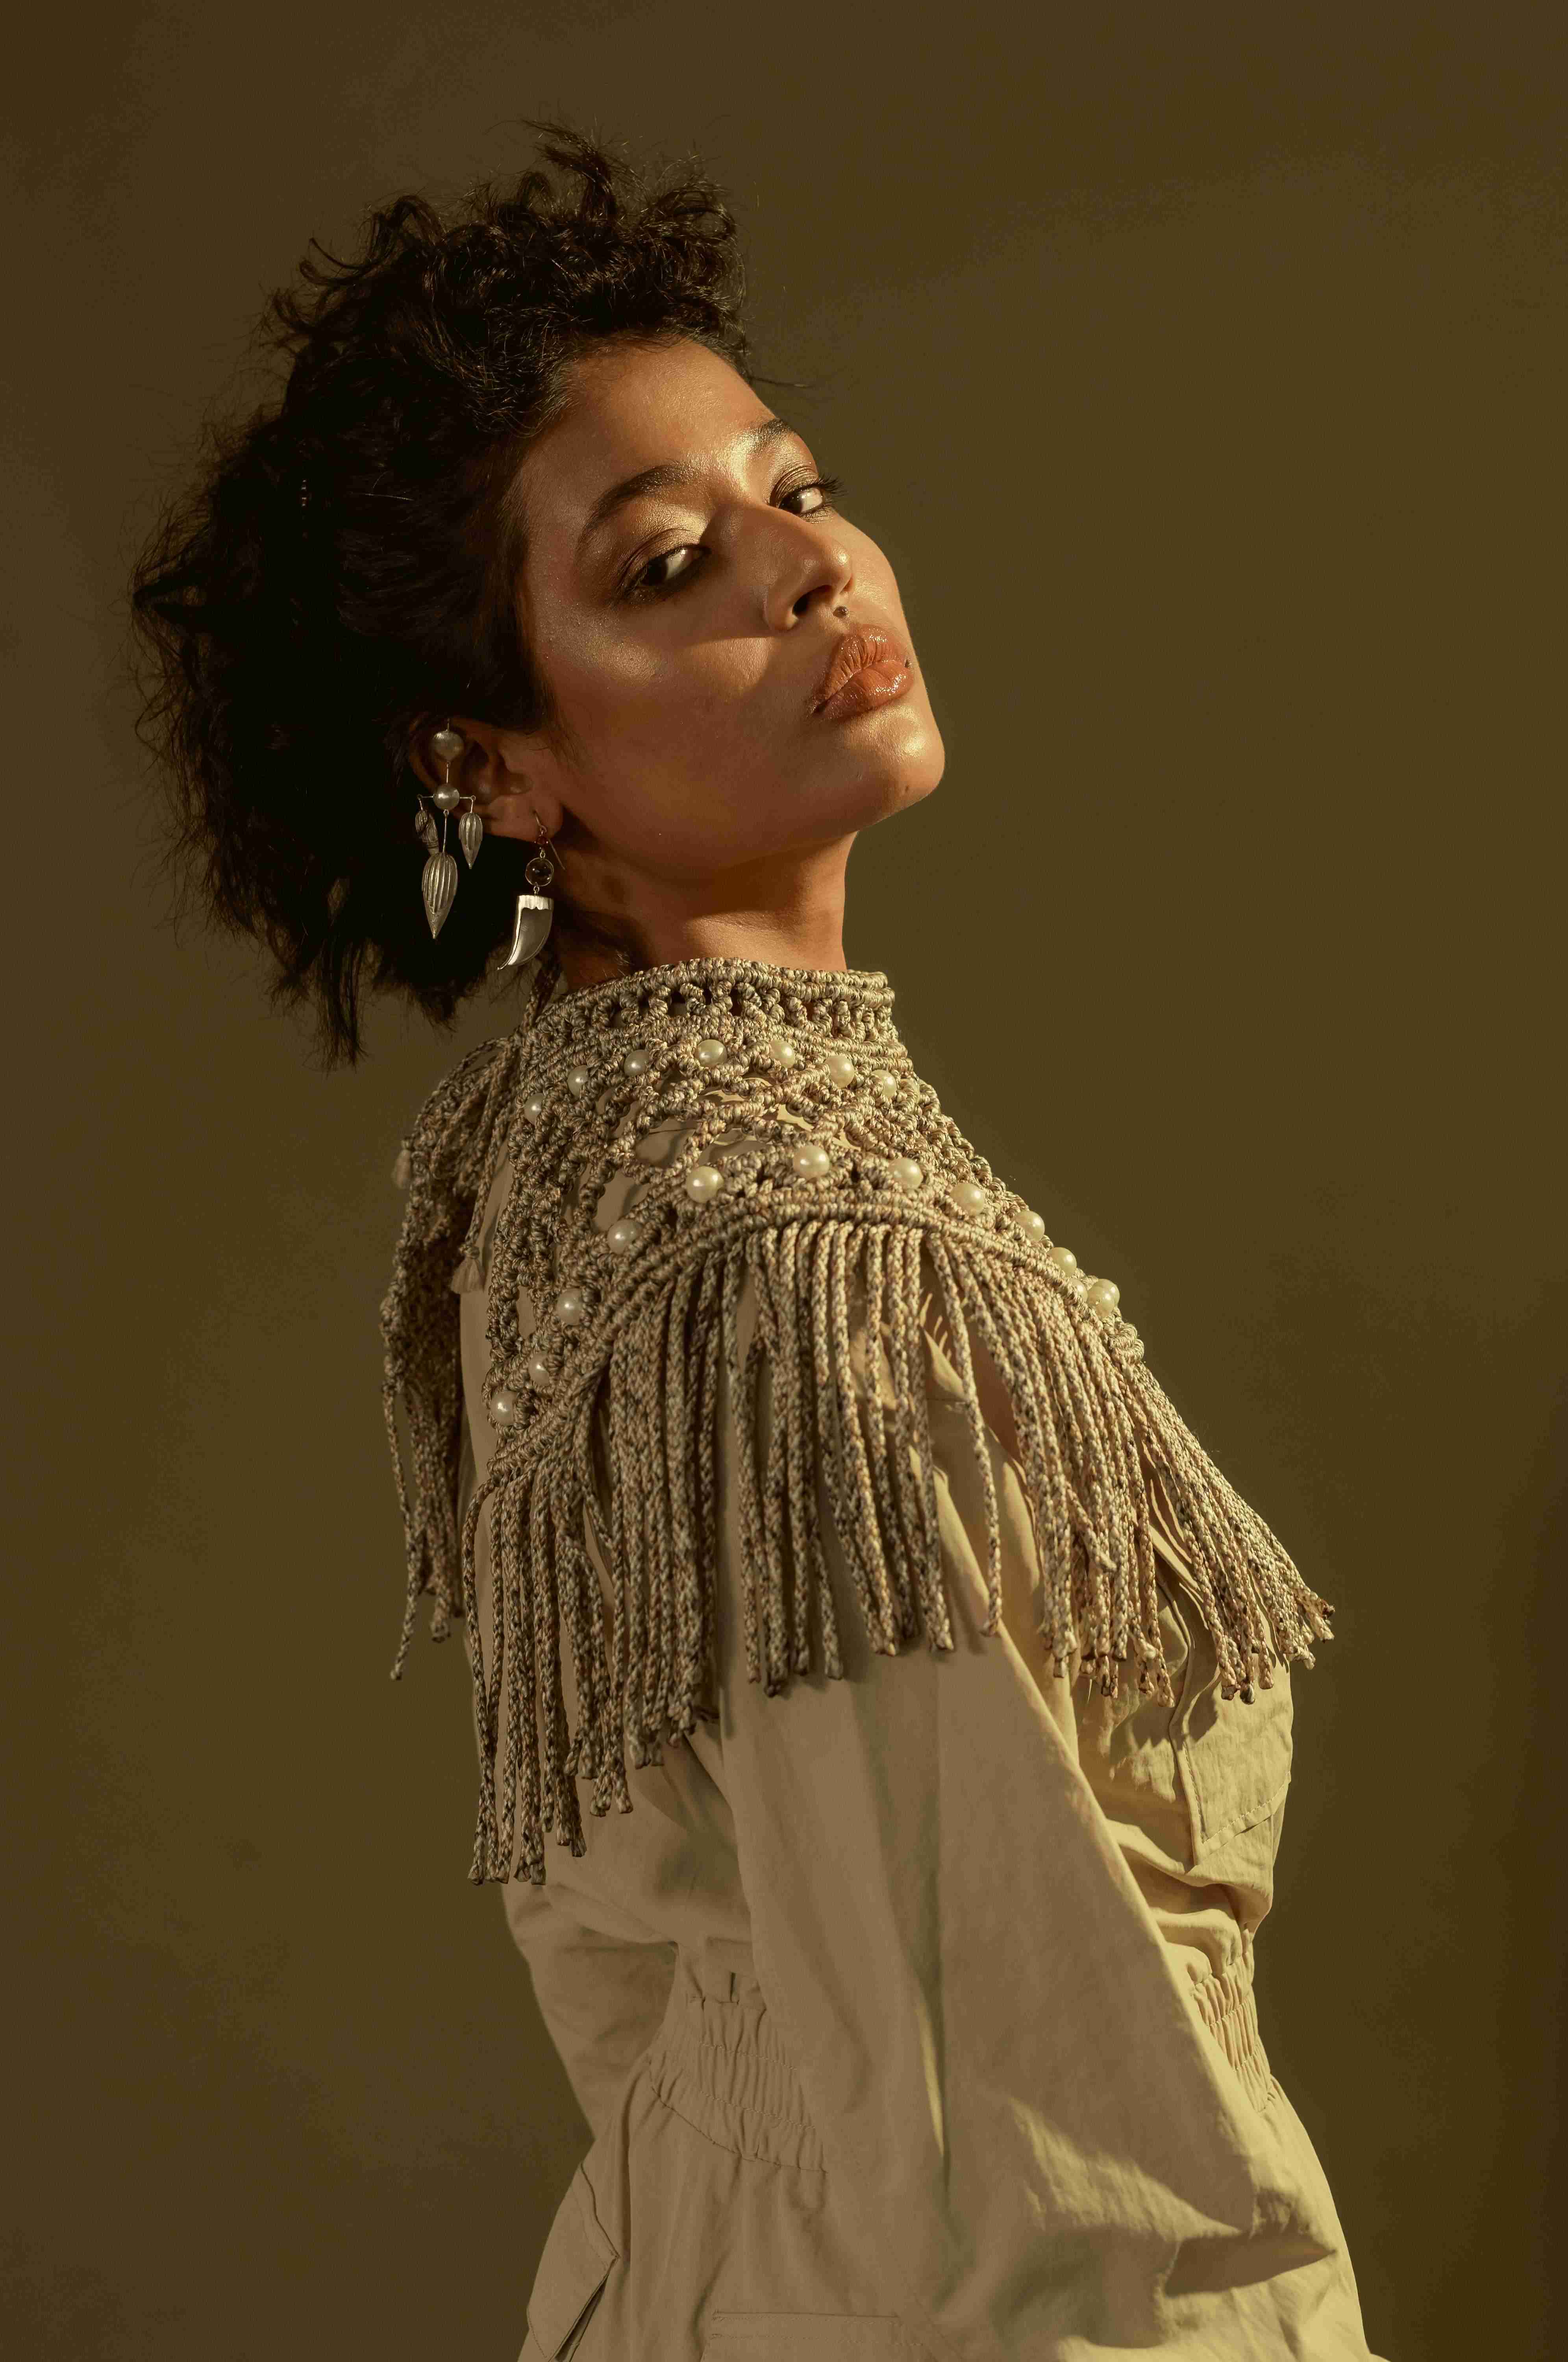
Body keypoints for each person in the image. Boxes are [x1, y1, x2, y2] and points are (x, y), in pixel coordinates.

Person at [129, 124, 1388, 2362]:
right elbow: (1047, 2161)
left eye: (799, 488)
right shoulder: (802, 1259)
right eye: (668, 562)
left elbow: (693, 2013)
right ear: (492, 770)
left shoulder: (561, 1158)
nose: (808, 569)